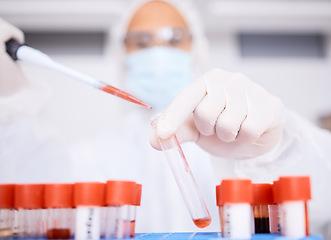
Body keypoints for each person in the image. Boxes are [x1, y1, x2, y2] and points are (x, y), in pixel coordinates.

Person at [1, 0, 331, 237]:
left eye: (174, 39)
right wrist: (11, 105)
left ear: (196, 49)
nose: (158, 51)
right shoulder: (89, 157)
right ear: (122, 56)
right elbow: (25, 206)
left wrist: (277, 147)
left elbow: (320, 206)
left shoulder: (235, 129)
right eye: (141, 42)